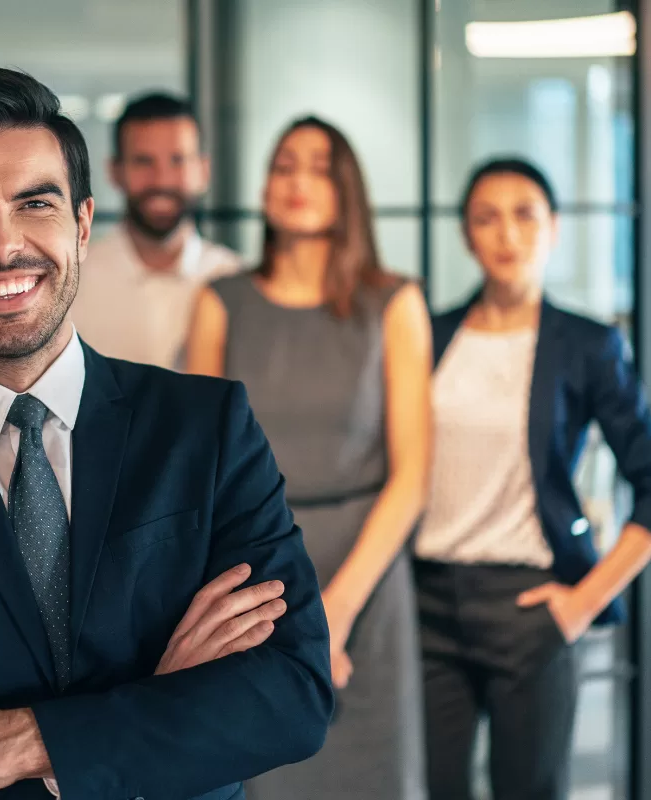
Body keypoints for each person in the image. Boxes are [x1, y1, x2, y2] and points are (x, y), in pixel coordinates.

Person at [0, 67, 334, 800]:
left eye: (34, 203)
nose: (2, 245)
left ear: (80, 222)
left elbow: (290, 697)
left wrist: (16, 744)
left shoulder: (208, 428)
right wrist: (156, 702)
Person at [415, 157, 651, 800]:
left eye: (524, 214)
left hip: (530, 604)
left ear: (554, 228)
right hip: (426, 604)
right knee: (432, 786)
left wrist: (583, 603)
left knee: (530, 790)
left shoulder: (586, 345)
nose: (506, 234)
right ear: (466, 236)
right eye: (486, 217)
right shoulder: (429, 335)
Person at [185, 116, 432, 799]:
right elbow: (202, 473)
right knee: (264, 776)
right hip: (254, 574)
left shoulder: (396, 303)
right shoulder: (220, 303)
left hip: (368, 579)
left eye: (318, 167)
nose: (296, 182)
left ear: (346, 187)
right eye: (283, 165)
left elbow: (412, 478)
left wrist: (339, 611)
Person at [69, 92, 241, 369]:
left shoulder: (234, 280)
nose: (161, 179)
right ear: (115, 171)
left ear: (203, 171)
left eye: (178, 160)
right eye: (143, 161)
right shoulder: (72, 281)